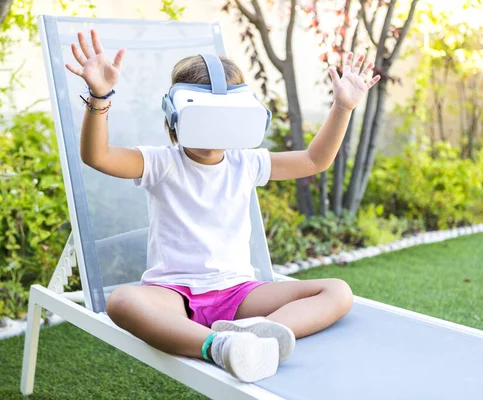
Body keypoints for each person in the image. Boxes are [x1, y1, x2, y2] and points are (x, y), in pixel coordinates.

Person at [66, 29, 380, 383]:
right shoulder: (160, 162)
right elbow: (98, 156)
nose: (214, 133)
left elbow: (313, 160)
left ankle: (258, 335)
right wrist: (99, 95)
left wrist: (342, 108)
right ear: (175, 116)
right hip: (174, 295)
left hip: (239, 295)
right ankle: (218, 346)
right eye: (204, 117)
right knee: (122, 302)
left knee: (337, 291)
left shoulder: (245, 163)